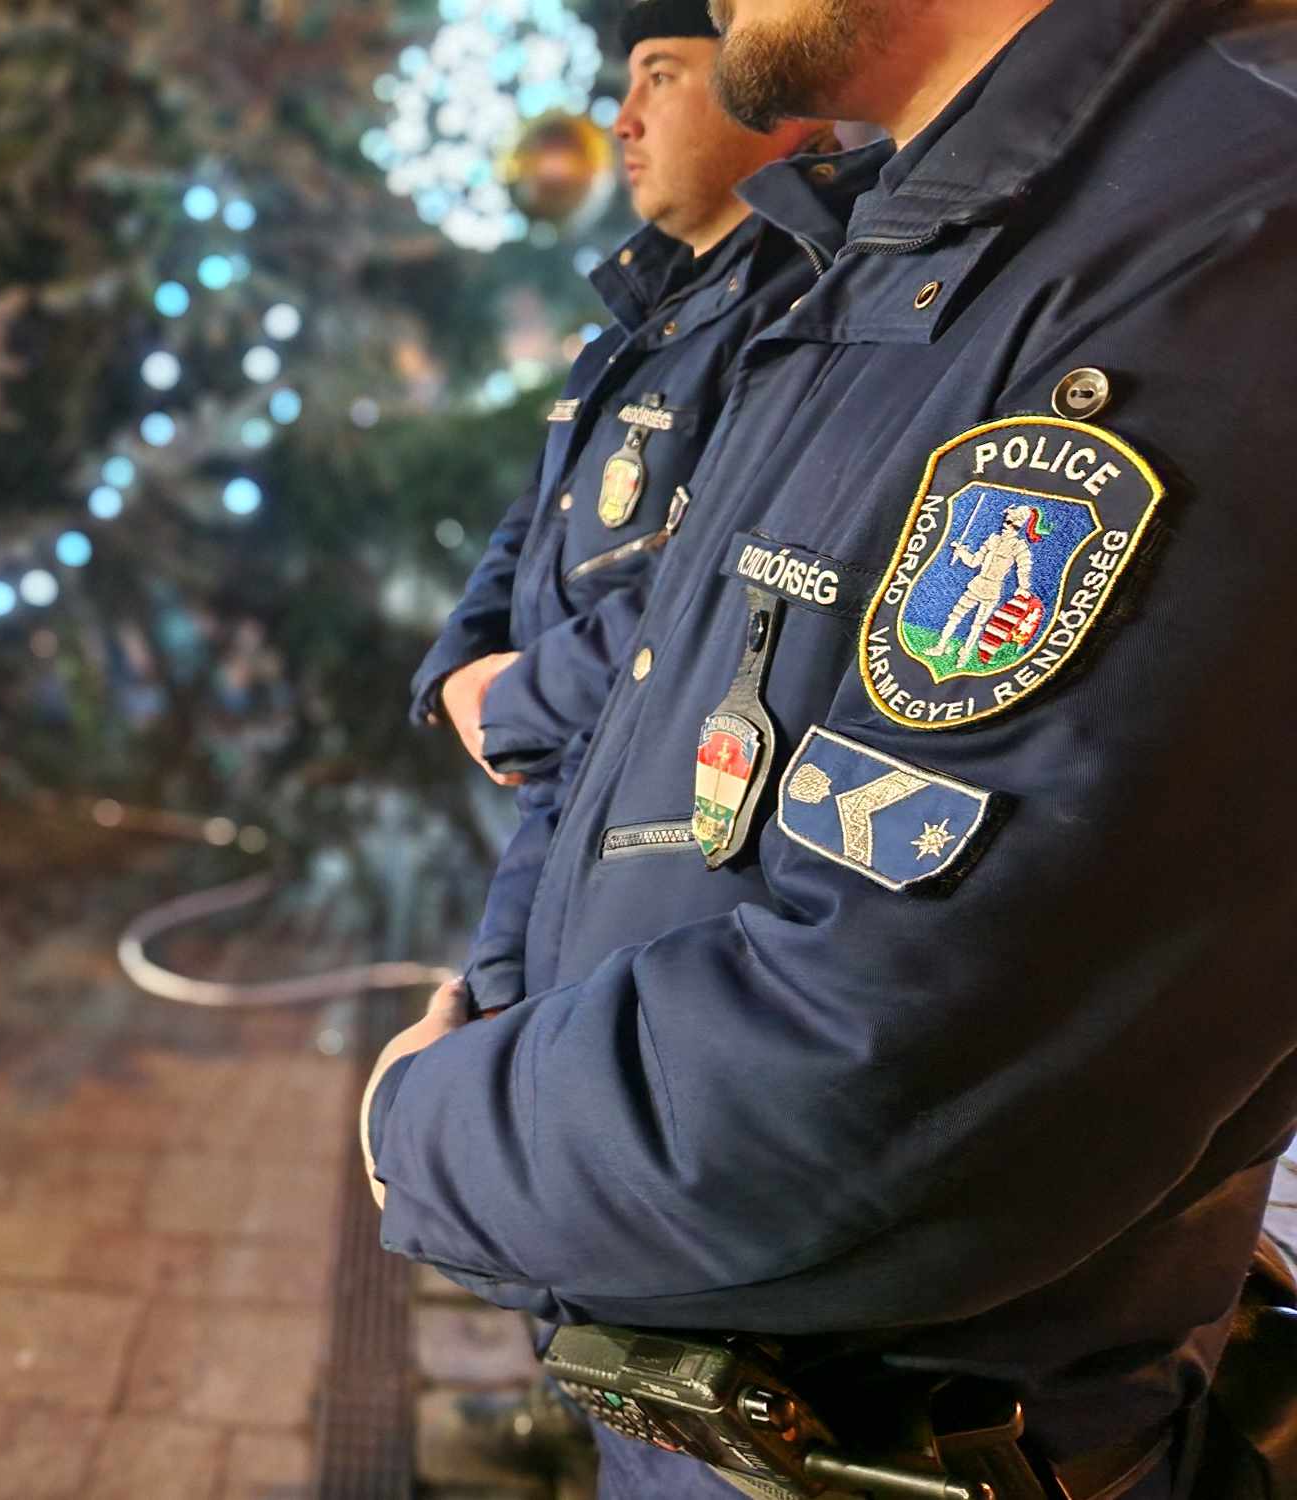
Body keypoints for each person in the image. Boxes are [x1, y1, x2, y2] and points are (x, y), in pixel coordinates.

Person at [365, 0, 1297, 1496]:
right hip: (705, 1400)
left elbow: (883, 1067)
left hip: (909, 1453)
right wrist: (494, 1030)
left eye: (658, 74)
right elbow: (644, 730)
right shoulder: (908, 249)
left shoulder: (1215, 249)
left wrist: (422, 1125)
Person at [410, 0, 829, 1019]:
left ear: (767, 84)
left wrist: (512, 702)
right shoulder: (639, 328)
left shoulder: (811, 308)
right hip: (558, 819)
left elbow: (721, 594)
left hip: (659, 841)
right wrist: (458, 668)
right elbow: (535, 520)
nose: (621, 119)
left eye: (660, 75)